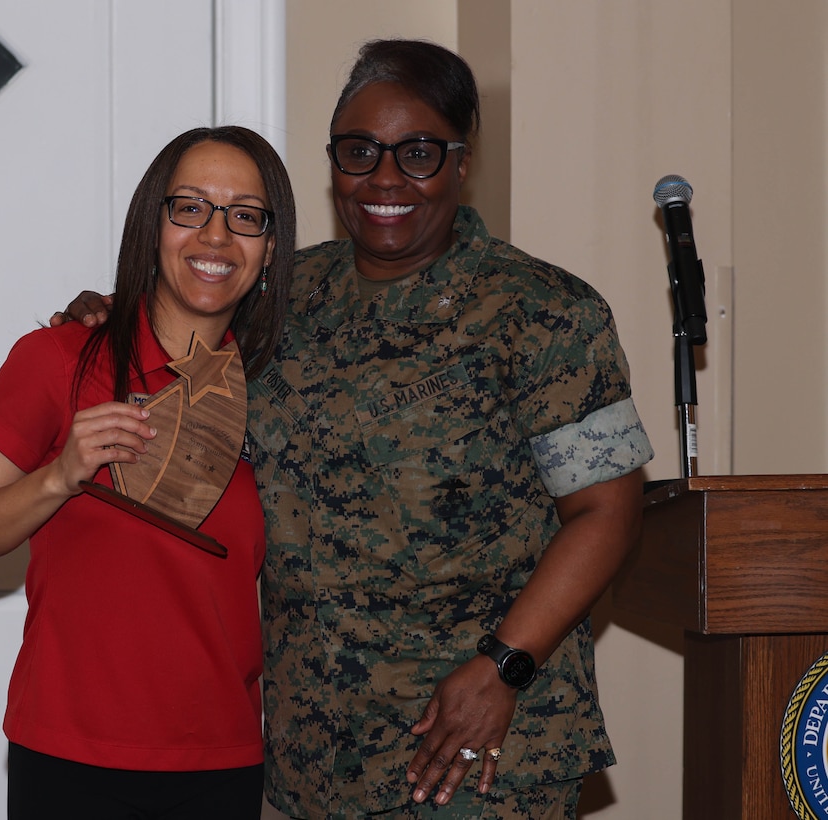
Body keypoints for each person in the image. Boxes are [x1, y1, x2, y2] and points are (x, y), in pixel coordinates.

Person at [55, 39, 653, 820]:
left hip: (475, 749)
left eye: (418, 154)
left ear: (460, 163)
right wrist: (105, 317)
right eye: (360, 151)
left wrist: (503, 666)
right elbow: (178, 326)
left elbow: (608, 510)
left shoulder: (542, 312)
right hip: (312, 756)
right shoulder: (284, 298)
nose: (385, 178)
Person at [0, 126, 296, 820]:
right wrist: (58, 475)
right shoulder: (58, 358)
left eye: (245, 216)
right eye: (189, 207)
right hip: (69, 756)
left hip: (220, 762)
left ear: (269, 247)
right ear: (152, 225)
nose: (215, 236)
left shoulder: (281, 393)